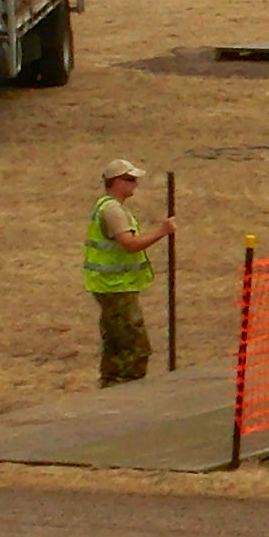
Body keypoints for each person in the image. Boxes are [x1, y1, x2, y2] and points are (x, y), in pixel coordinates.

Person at [84, 160, 177, 387]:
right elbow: (130, 244)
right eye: (130, 179)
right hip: (116, 287)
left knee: (116, 344)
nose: (135, 184)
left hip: (112, 286)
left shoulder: (108, 207)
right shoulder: (113, 211)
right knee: (134, 348)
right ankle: (126, 391)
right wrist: (162, 232)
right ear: (116, 182)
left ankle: (111, 387)